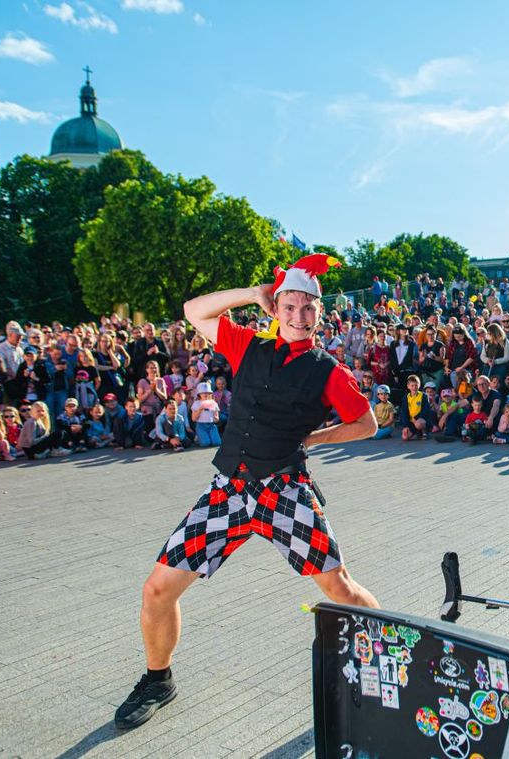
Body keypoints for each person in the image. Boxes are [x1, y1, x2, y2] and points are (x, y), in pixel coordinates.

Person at [115, 255, 379, 731]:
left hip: (285, 492)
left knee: (340, 588)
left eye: (308, 308)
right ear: (275, 308)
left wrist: (314, 438)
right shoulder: (248, 344)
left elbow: (366, 423)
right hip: (228, 491)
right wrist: (252, 293)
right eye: (290, 306)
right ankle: (158, 680)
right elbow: (194, 310)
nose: (299, 316)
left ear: (320, 313)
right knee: (157, 589)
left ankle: (388, 663)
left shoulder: (328, 370)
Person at [190, 382, 222, 447]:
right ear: (199, 394)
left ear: (210, 393)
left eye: (207, 392)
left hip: (211, 426)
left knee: (217, 443)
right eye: (202, 392)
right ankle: (198, 438)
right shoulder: (196, 403)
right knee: (205, 444)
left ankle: (207, 437)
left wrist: (215, 417)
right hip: (201, 426)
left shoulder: (213, 403)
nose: (205, 394)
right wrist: (200, 409)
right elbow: (193, 419)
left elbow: (216, 420)